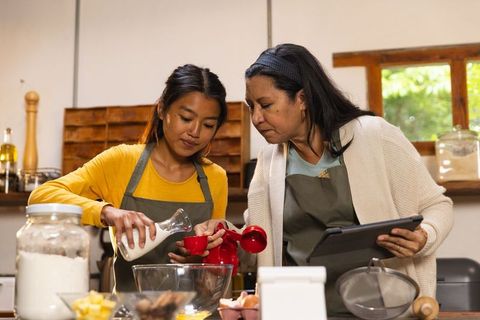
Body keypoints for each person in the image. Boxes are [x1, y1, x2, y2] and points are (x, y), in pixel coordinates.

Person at [177, 44, 454, 316]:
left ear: (302, 99)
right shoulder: (269, 161)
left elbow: (438, 205)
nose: (256, 118)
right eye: (251, 106)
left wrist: (424, 237)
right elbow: (258, 241)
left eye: (266, 105)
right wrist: (224, 233)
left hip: (380, 310)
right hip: (299, 309)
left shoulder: (375, 136)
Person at [28, 64, 229, 291]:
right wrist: (106, 212)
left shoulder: (215, 178)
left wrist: (199, 260)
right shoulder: (122, 162)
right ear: (162, 110)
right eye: (185, 118)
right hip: (133, 313)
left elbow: (215, 270)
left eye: (208, 125)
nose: (195, 131)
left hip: (196, 314)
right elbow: (41, 196)